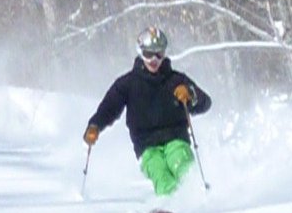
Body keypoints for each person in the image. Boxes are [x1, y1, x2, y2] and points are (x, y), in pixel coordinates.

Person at [83, 26, 212, 197]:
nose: (154, 60)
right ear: (140, 52)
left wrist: (191, 95)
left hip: (176, 139)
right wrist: (95, 126)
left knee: (181, 164)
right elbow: (109, 107)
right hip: (146, 146)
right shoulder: (128, 84)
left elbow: (205, 103)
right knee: (160, 173)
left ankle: (197, 196)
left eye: (159, 54)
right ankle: (171, 204)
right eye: (148, 54)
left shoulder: (176, 80)